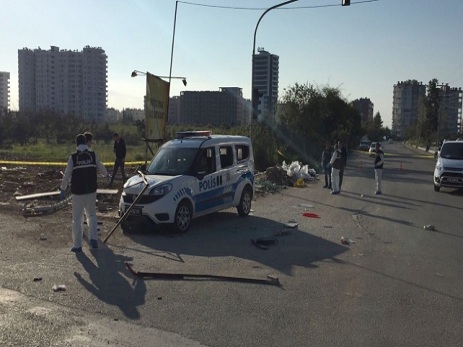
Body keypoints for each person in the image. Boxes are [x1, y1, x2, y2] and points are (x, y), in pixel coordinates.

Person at [60, 134, 109, 252]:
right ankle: (93, 239)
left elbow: (67, 174)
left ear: (77, 144)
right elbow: (101, 166)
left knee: (77, 219)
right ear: (86, 143)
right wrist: (106, 175)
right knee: (91, 215)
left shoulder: (73, 158)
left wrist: (63, 188)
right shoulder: (92, 155)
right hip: (91, 191)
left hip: (77, 193)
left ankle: (77, 245)